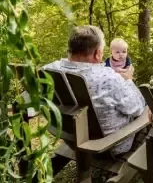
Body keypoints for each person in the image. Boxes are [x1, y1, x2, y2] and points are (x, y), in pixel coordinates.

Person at [44, 25, 146, 154]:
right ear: (98, 53)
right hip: (107, 146)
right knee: (147, 110)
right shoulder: (109, 78)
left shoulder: (49, 70)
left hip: (71, 139)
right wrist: (128, 80)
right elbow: (137, 109)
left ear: (70, 49)